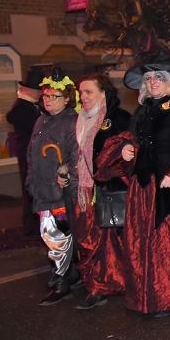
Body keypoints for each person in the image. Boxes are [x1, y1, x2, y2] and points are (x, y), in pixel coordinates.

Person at [96, 48, 170, 317]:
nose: (152, 82)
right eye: (148, 78)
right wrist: (127, 149)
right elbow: (133, 139)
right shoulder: (144, 108)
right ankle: (149, 296)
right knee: (144, 242)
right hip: (145, 185)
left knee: (168, 242)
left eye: (158, 77)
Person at [69, 73, 130, 310]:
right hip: (84, 189)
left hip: (108, 190)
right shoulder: (81, 119)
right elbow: (78, 154)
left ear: (103, 93)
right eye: (81, 92)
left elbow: (122, 157)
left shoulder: (118, 118)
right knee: (87, 239)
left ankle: (102, 286)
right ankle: (96, 282)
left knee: (107, 242)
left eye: (88, 92)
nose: (83, 97)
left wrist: (107, 171)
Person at [26, 67, 80, 305]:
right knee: (51, 234)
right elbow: (31, 153)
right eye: (45, 95)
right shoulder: (41, 120)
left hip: (60, 191)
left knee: (57, 235)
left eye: (54, 96)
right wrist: (30, 181)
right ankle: (68, 273)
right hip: (42, 189)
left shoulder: (71, 122)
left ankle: (62, 280)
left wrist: (66, 173)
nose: (47, 100)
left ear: (66, 99)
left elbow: (76, 155)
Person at [6, 65, 47, 236]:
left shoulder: (32, 106)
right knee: (30, 188)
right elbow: (14, 117)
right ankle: (31, 225)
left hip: (34, 154)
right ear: (29, 90)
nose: (41, 94)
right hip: (28, 155)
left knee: (36, 188)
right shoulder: (22, 107)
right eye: (38, 90)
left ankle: (36, 222)